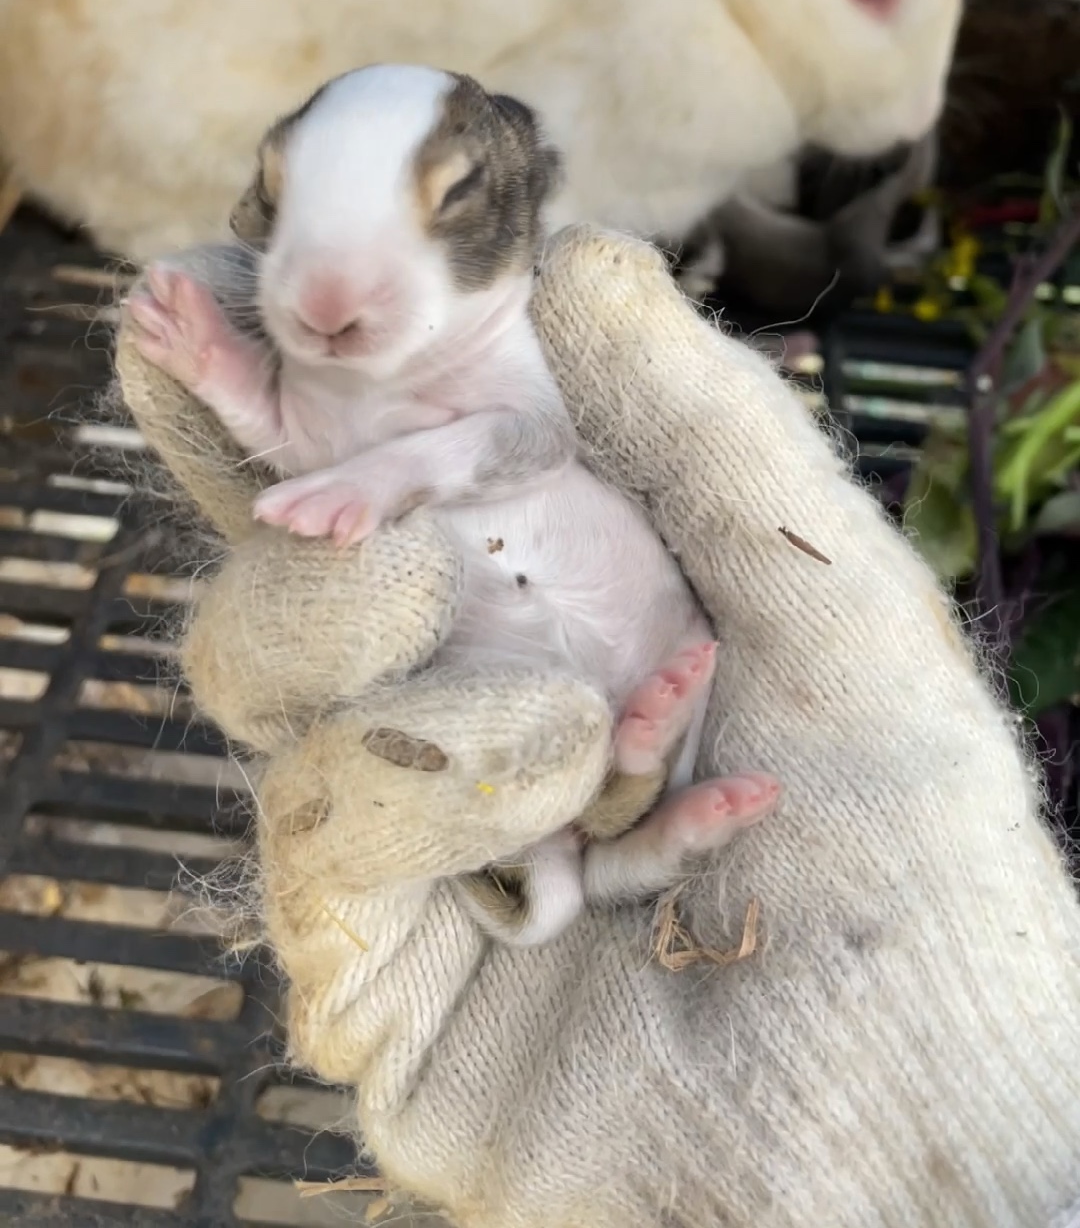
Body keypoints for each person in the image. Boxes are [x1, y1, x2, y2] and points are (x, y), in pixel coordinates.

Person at [117, 226, 1080, 1228]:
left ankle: (630, 806)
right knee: (527, 741)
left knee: (561, 767)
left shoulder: (495, 398)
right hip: (537, 713)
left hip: (566, 726)